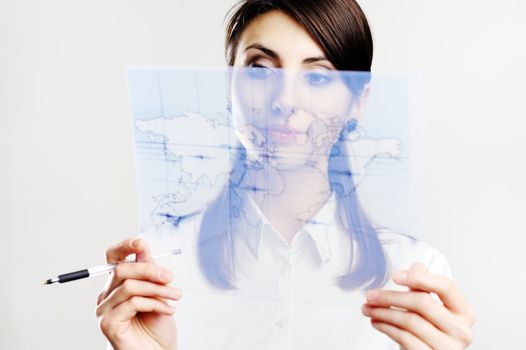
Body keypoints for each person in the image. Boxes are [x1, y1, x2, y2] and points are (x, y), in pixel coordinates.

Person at [95, 1, 475, 349]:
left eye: (318, 76)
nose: (286, 100)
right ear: (229, 87)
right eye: (260, 69)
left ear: (358, 103)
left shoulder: (415, 277)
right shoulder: (156, 271)